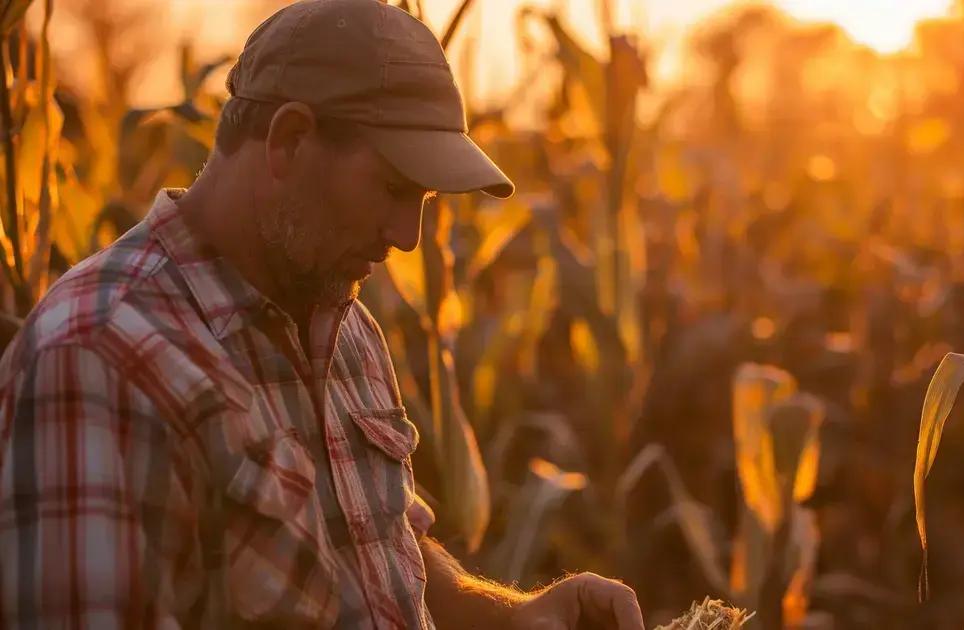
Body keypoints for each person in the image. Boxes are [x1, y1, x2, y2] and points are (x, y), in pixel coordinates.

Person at [0, 0, 645, 628]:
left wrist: (510, 618)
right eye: (394, 189)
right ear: (289, 139)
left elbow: (373, 549)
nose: (408, 236)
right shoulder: (100, 362)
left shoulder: (340, 318)